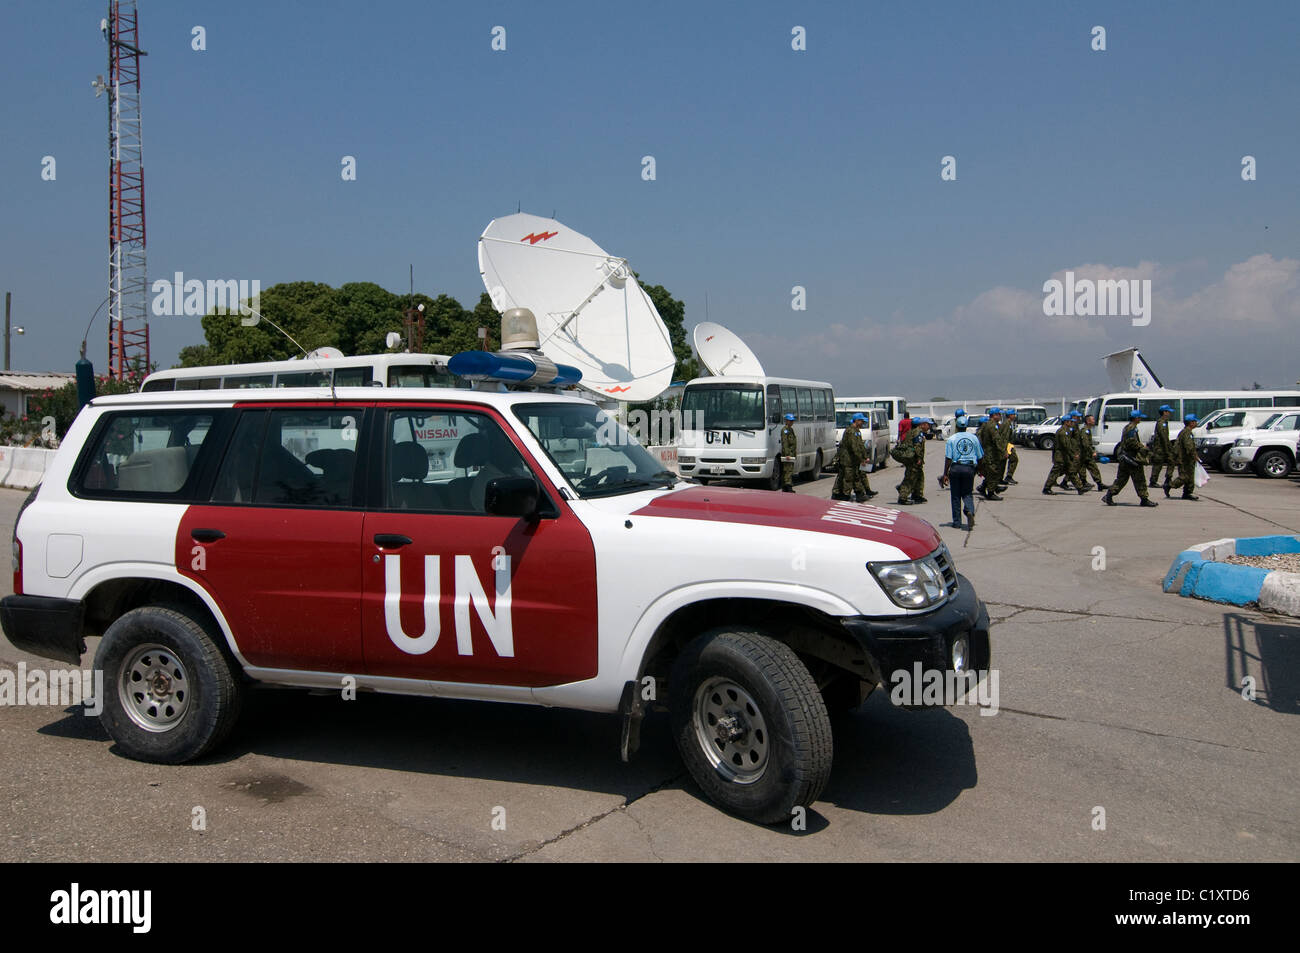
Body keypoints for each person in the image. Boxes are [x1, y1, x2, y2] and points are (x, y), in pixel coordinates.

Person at [1101, 410, 1158, 507]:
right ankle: (1144, 499)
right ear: (1136, 418)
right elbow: (1132, 443)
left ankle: (1109, 495)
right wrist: (1143, 447)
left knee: (1121, 480)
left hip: (1125, 458)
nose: (1140, 419)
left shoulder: (1128, 427)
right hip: (1131, 459)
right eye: (1139, 418)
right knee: (1139, 480)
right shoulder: (1132, 428)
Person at [940, 411, 982, 530]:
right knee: (967, 493)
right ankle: (969, 511)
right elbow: (980, 457)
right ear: (966, 426)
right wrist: (980, 469)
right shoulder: (974, 438)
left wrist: (945, 474)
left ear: (957, 426)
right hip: (969, 468)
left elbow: (948, 458)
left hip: (956, 468)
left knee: (955, 496)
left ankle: (957, 522)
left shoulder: (952, 439)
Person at [831, 413, 876, 501]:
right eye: (861, 421)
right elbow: (854, 447)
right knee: (848, 478)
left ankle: (858, 494)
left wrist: (864, 457)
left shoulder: (857, 431)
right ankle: (845, 495)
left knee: (855, 476)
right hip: (848, 460)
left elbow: (860, 446)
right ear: (857, 421)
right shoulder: (851, 431)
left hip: (853, 460)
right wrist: (861, 459)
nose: (862, 423)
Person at [1042, 414, 1087, 495]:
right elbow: (1066, 445)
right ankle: (1047, 488)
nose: (1072, 423)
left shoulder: (1066, 431)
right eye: (1070, 421)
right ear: (1066, 422)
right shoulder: (1062, 432)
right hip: (1061, 456)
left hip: (1065, 456)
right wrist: (1073, 455)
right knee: (1055, 472)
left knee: (1071, 471)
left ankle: (1080, 488)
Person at [892, 417, 930, 504]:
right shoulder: (918, 433)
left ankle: (917, 495)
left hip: (910, 458)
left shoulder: (910, 432)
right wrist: (919, 458)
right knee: (910, 478)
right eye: (928, 425)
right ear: (922, 424)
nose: (929, 427)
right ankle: (903, 497)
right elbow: (917, 447)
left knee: (919, 477)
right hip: (914, 459)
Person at [1166, 413, 1200, 500]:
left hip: (1187, 458)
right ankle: (1169, 485)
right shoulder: (1186, 432)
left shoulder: (1187, 431)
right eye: (1195, 421)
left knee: (1190, 477)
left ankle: (1187, 493)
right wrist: (1194, 455)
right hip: (1185, 459)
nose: (1196, 423)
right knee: (1184, 477)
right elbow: (1188, 446)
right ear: (1191, 422)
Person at [976, 408, 1004, 500]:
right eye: (999, 414)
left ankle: (984, 487)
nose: (1000, 416)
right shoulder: (992, 426)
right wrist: (1003, 451)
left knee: (990, 472)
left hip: (988, 452)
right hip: (990, 454)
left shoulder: (987, 424)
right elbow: (997, 439)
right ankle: (991, 493)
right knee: (993, 472)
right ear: (994, 415)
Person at [1148, 404, 1175, 488]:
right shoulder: (1161, 423)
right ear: (1164, 412)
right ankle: (1153, 481)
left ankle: (1167, 479)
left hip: (1162, 447)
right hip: (1160, 448)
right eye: (1168, 412)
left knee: (1169, 462)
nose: (1169, 413)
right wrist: (1168, 448)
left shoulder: (1164, 422)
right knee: (1158, 464)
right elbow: (1164, 437)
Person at [1077, 413, 1106, 490]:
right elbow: (1085, 444)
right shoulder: (1085, 431)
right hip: (1084, 454)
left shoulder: (1088, 430)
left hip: (1087, 454)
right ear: (1088, 421)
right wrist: (1092, 452)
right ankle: (1083, 483)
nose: (1094, 421)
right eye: (1092, 419)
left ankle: (1099, 484)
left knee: (1093, 468)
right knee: (1080, 469)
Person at [779, 413, 798, 492]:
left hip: (792, 453)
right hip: (788, 454)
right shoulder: (785, 430)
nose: (791, 422)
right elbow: (785, 443)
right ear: (786, 421)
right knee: (787, 470)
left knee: (789, 469)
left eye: (792, 421)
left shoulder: (791, 429)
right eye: (790, 421)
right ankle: (788, 486)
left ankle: (785, 486)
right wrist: (787, 454)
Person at [1002, 409, 1020, 484]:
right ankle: (1008, 476)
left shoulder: (1009, 423)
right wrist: (1005, 449)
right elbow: (1005, 437)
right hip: (1007, 445)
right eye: (1014, 415)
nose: (1015, 416)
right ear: (1010, 415)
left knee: (1013, 460)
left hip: (1009, 445)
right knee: (1014, 459)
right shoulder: (1007, 424)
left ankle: (1008, 476)